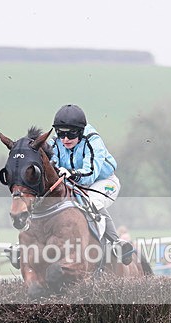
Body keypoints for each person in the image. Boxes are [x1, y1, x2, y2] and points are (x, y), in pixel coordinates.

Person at [50, 104, 133, 265]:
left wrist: (73, 173)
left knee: (93, 201)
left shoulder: (93, 140)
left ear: (81, 131)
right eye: (61, 133)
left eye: (71, 134)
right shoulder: (55, 142)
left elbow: (90, 173)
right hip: (74, 184)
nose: (65, 139)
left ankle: (116, 242)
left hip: (103, 182)